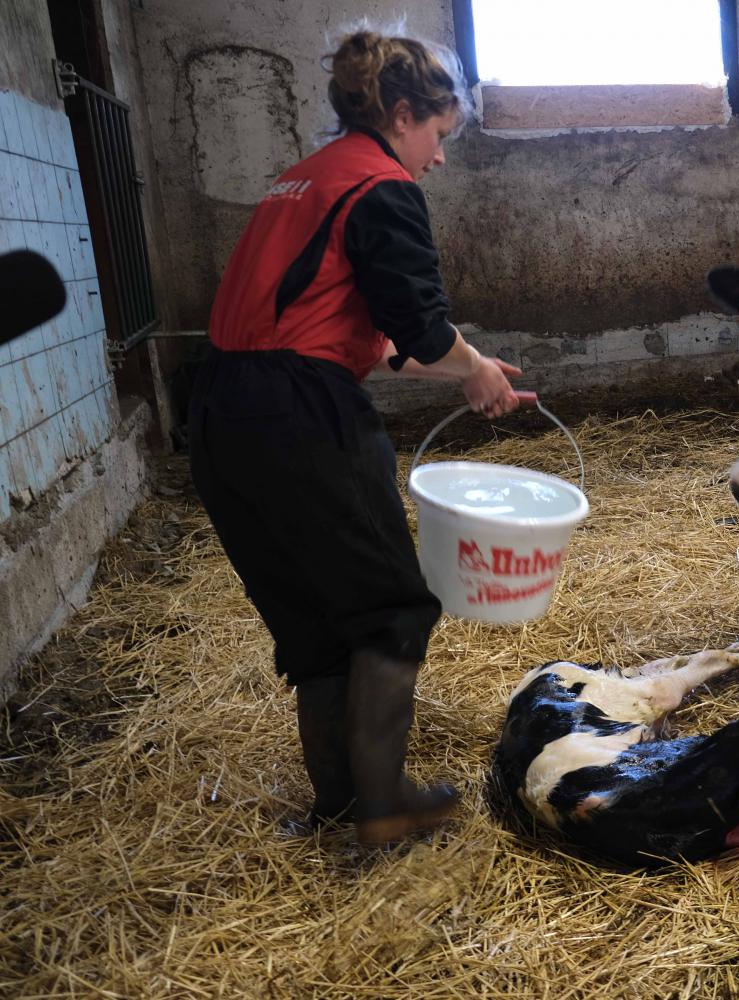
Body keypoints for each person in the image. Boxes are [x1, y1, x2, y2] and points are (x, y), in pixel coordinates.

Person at [189, 28, 523, 847]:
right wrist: (470, 364)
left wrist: (472, 366)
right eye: (438, 136)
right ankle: (384, 808)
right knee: (390, 607)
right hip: (301, 416)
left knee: (316, 623)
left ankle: (341, 801)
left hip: (222, 410)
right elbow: (418, 320)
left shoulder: (300, 181)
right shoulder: (381, 186)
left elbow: (356, 331)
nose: (437, 159)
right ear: (403, 113)